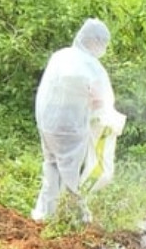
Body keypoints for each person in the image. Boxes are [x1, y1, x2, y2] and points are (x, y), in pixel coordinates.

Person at [31, 18, 125, 223]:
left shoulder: (61, 55)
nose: (102, 49)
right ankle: (73, 218)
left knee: (51, 164)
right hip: (70, 128)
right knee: (70, 171)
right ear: (93, 42)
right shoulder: (91, 66)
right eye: (102, 44)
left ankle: (45, 213)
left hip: (47, 123)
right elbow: (101, 101)